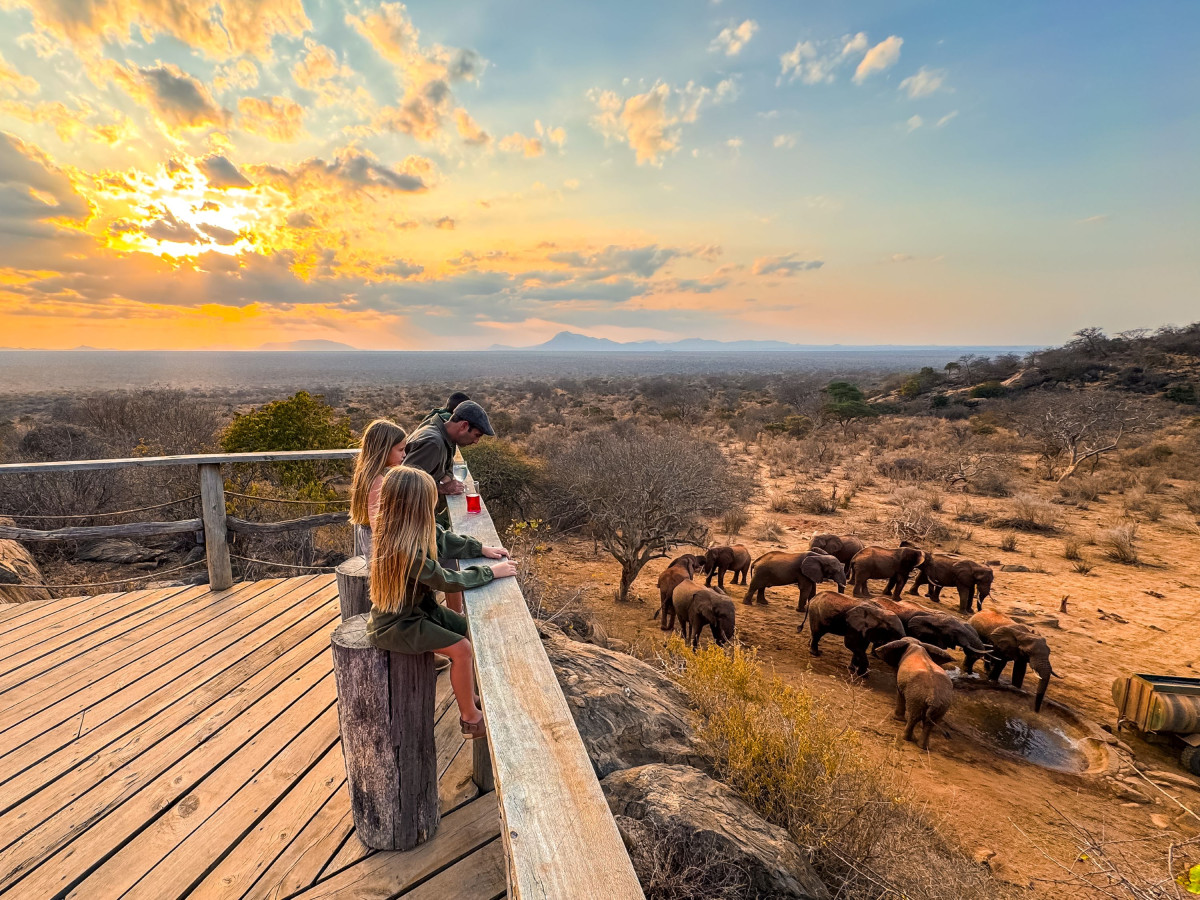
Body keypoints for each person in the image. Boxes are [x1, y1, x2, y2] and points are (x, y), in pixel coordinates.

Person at [367, 466, 515, 738]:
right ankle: (470, 719)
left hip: (420, 610)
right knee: (462, 649)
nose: (434, 503)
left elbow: (445, 539)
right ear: (414, 506)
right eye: (429, 500)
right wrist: (489, 573)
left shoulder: (411, 528)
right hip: (396, 624)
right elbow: (444, 580)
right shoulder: (403, 547)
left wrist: (479, 549)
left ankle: (469, 696)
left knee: (467, 630)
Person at [403, 400, 496, 613]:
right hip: (410, 526)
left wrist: (444, 479)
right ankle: (455, 617)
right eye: (476, 435)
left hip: (418, 522)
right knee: (447, 564)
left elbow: (429, 473)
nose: (476, 442)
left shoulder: (441, 435)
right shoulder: (433, 442)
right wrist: (443, 488)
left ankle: (454, 615)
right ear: (463, 425)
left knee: (447, 561)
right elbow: (404, 487)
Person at [348, 418, 407, 559]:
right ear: (384, 450)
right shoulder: (377, 481)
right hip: (377, 544)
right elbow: (378, 526)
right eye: (400, 449)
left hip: (367, 534)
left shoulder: (366, 474)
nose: (404, 454)